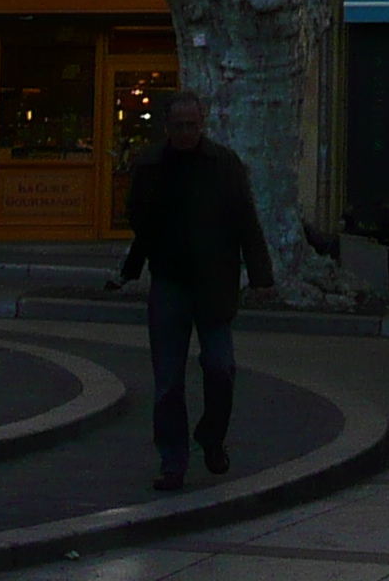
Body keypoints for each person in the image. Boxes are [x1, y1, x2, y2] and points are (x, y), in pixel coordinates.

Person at [117, 90, 273, 491]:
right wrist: (136, 263)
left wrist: (261, 278)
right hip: (170, 280)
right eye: (180, 126)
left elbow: (246, 222)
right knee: (168, 380)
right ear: (168, 128)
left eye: (194, 125)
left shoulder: (223, 164)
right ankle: (173, 460)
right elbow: (138, 217)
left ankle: (211, 436)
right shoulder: (151, 165)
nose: (187, 132)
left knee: (221, 368)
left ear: (202, 124)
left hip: (214, 283)